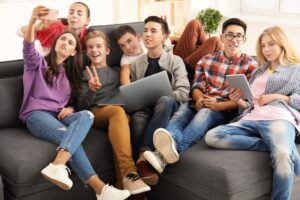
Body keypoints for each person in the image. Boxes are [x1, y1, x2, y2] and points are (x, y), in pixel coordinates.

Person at [19, 9, 130, 200]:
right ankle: (99, 188)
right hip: (36, 115)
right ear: (56, 44)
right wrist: (32, 21)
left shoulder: (70, 77)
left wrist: (74, 105)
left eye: (71, 42)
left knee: (87, 115)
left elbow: (77, 104)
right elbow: (28, 45)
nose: (66, 43)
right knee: (71, 139)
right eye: (63, 39)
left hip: (58, 116)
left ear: (73, 52)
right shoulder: (36, 64)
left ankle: (59, 166)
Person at [144, 18, 258, 174]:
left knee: (203, 115)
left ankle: (161, 157)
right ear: (222, 38)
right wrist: (198, 99)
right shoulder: (207, 60)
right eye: (230, 35)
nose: (234, 40)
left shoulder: (251, 66)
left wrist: (219, 105)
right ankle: (167, 151)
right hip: (198, 102)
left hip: (221, 109)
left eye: (239, 36)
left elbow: (247, 101)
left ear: (244, 40)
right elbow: (196, 86)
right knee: (178, 118)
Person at [205, 26, 300, 200]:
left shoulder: (296, 69)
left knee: (282, 157)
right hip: (252, 117)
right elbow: (250, 103)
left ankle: (281, 149)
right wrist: (239, 101)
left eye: (271, 44)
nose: (266, 49)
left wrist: (276, 96)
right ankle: (269, 145)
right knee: (213, 136)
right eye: (263, 46)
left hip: (278, 117)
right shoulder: (259, 70)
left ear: (282, 43)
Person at [76, 30, 150, 195]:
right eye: (90, 47)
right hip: (97, 112)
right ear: (87, 51)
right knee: (117, 112)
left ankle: (121, 187)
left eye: (98, 46)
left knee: (128, 117)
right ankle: (129, 173)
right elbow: (81, 107)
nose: (94, 50)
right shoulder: (85, 74)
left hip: (120, 114)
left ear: (107, 50)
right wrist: (91, 90)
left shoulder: (119, 72)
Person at [129, 16, 190, 185]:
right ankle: (142, 171)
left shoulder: (175, 61)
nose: (147, 34)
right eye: (145, 30)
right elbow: (133, 93)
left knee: (164, 99)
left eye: (153, 31)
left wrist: (163, 95)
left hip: (167, 106)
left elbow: (184, 93)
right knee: (138, 119)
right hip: (144, 108)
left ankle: (142, 156)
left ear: (164, 37)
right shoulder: (136, 64)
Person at [18, 2, 90, 56]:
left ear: (87, 20)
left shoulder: (88, 37)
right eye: (71, 12)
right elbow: (20, 32)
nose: (74, 15)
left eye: (79, 14)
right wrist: (35, 27)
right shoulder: (54, 29)